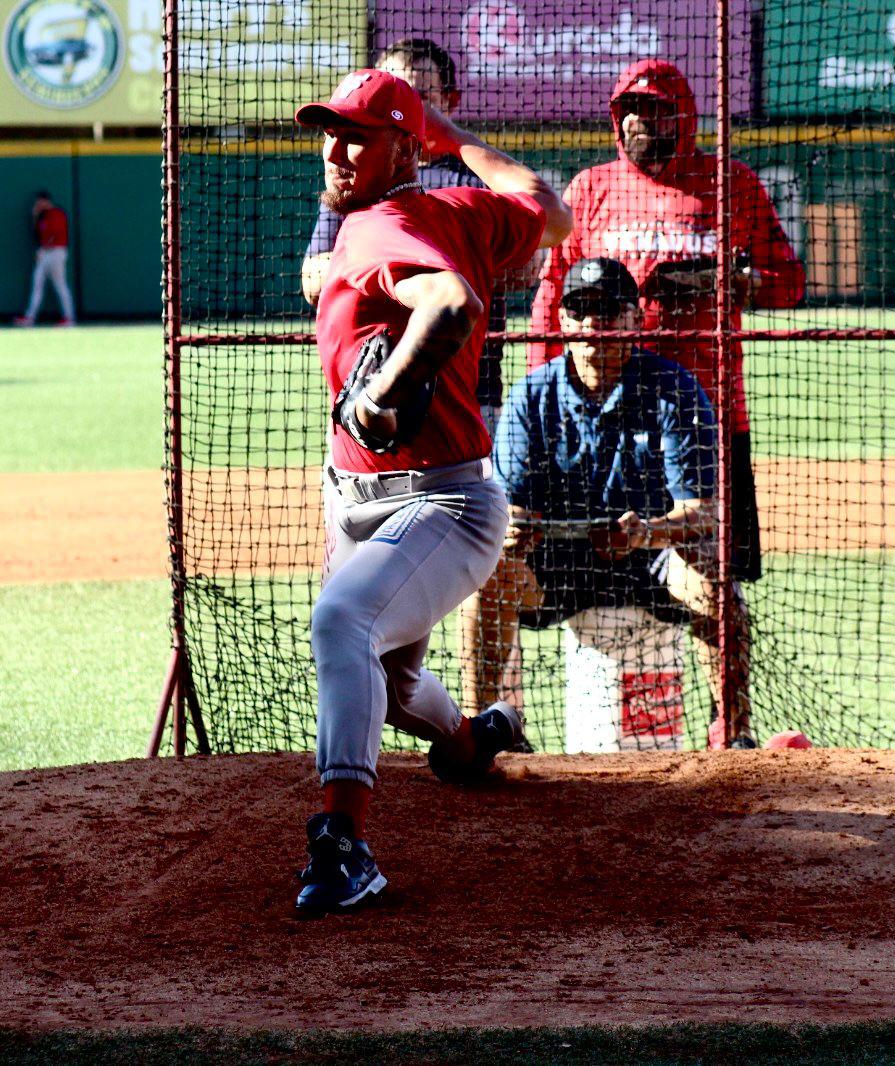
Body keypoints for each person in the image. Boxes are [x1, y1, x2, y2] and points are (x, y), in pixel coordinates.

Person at [291, 68, 572, 914]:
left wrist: (387, 387)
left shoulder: (376, 228)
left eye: (359, 135)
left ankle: (343, 848)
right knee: (392, 672)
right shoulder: (465, 212)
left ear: (403, 148)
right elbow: (549, 210)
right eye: (329, 132)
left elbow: (446, 301)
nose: (337, 150)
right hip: (362, 496)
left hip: (441, 503)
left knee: (344, 622)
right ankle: (467, 744)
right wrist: (458, 141)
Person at [528, 58, 804, 658]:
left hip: (705, 412)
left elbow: (788, 282)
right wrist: (541, 395)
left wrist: (730, 284)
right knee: (552, 561)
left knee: (712, 572)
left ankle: (730, 731)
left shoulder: (733, 183)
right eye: (630, 109)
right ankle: (501, 720)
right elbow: (551, 302)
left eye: (656, 109)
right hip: (598, 419)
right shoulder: (590, 188)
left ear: (686, 115)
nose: (641, 121)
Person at [461, 257, 754, 747]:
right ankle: (478, 732)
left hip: (650, 556)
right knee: (486, 576)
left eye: (609, 311)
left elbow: (707, 510)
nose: (593, 324)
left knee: (713, 576)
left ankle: (733, 731)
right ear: (562, 321)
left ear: (637, 320)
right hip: (559, 564)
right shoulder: (530, 398)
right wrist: (514, 529)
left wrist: (648, 532)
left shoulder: (675, 389)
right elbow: (513, 510)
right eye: (580, 310)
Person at [300, 38, 534, 440]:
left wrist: (424, 277)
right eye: (392, 85)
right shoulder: (351, 185)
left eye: (421, 94)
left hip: (469, 391)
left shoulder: (474, 178)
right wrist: (401, 269)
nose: (406, 99)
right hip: (366, 388)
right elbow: (313, 279)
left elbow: (525, 272)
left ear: (449, 101)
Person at [14, 190, 76, 327]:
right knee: (37, 284)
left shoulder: (58, 213)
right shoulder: (42, 216)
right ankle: (30, 317)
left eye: (40, 201)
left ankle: (69, 318)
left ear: (46, 201)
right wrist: (35, 217)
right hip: (44, 253)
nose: (38, 204)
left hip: (56, 252)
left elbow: (56, 233)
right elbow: (38, 235)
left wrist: (44, 248)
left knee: (60, 285)